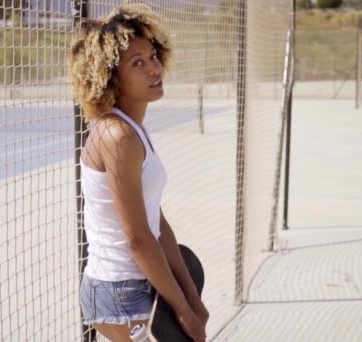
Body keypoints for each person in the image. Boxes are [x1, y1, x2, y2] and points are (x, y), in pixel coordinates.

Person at [69, 3, 208, 342]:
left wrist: (192, 301)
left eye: (153, 57)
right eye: (138, 63)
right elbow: (137, 238)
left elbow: (156, 224)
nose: (153, 69)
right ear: (109, 76)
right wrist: (183, 311)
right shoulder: (117, 136)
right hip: (118, 292)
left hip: (138, 283)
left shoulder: (133, 130)